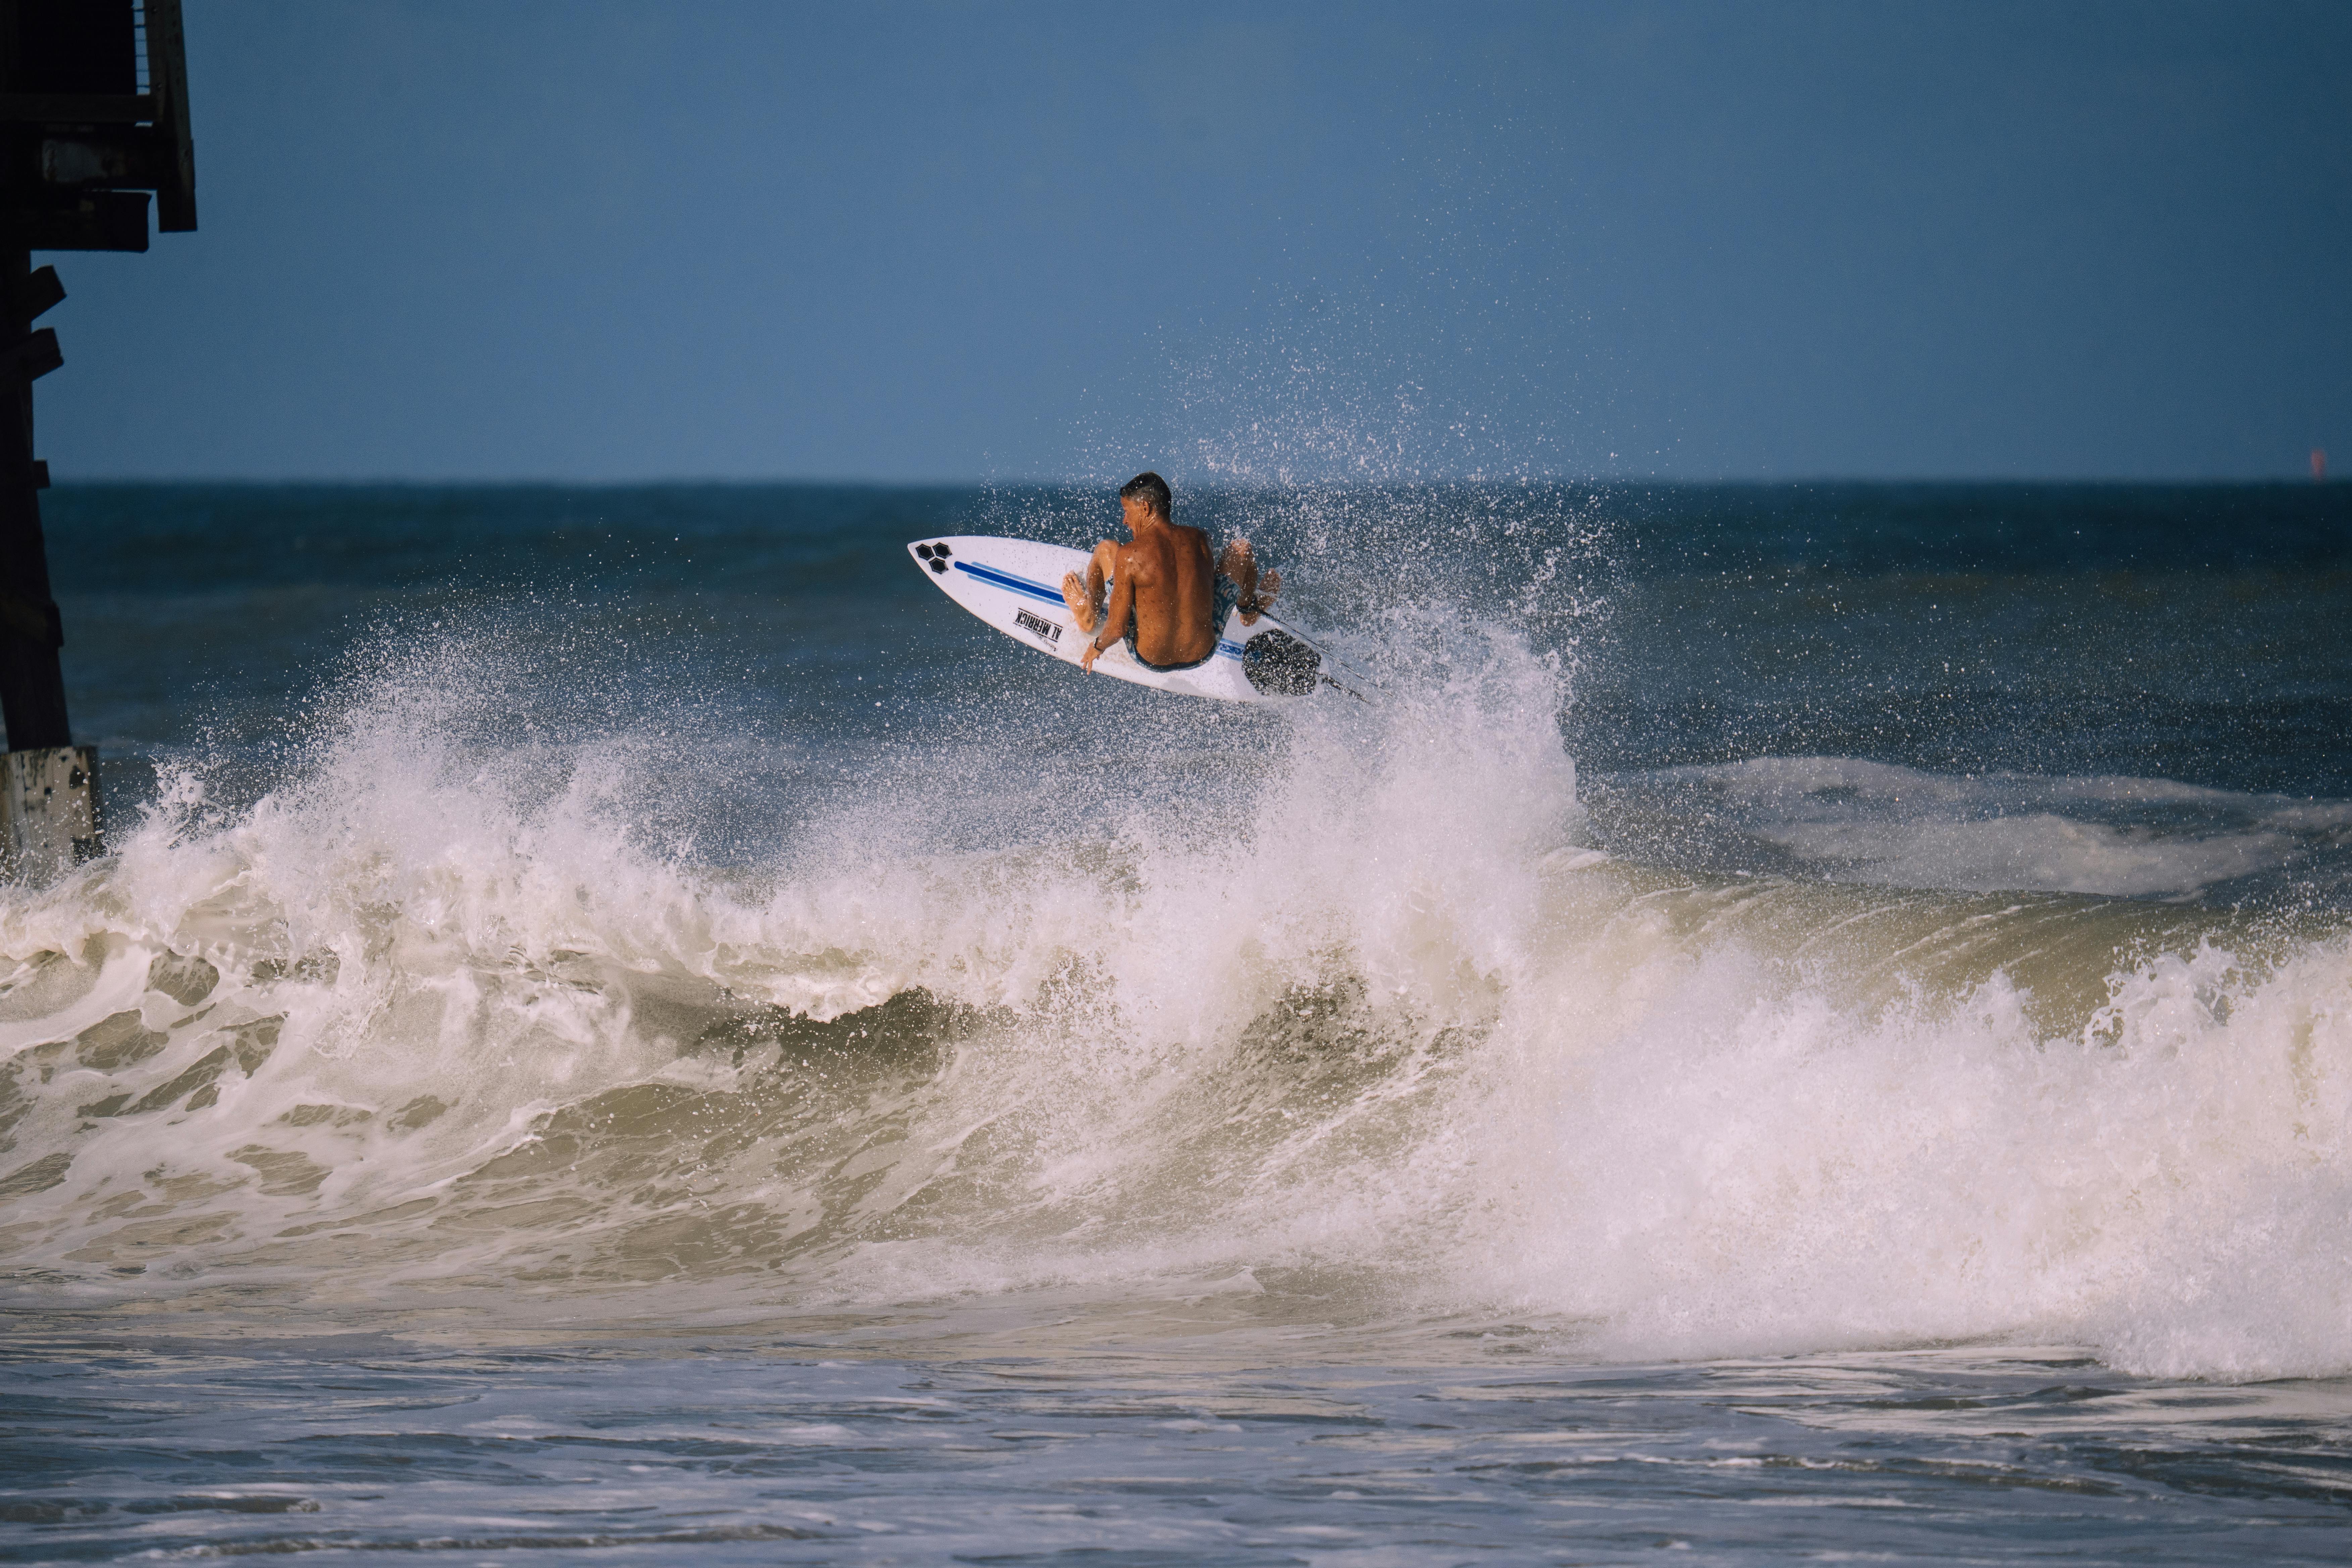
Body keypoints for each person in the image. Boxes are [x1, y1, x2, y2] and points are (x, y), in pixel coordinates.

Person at [1061, 472, 1279, 674]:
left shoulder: (1129, 556)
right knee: (1241, 549)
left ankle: (1087, 616)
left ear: (1145, 508)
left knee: (1106, 549)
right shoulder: (1201, 539)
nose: (1124, 520)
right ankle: (1248, 610)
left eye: (1127, 511)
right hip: (1203, 653)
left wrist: (1097, 647)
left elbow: (1117, 629)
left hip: (1149, 658)